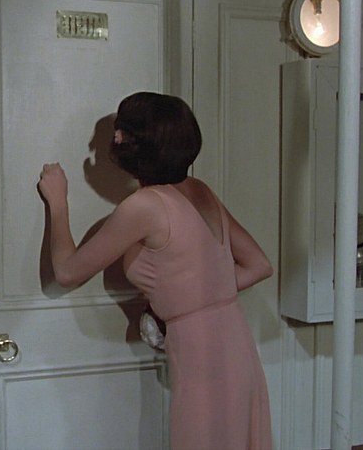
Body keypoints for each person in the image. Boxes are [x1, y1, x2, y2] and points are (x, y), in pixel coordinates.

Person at [38, 92, 273, 449]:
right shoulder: (199, 190)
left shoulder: (145, 206)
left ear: (130, 141)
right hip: (236, 344)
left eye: (118, 131)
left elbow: (68, 272)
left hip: (201, 352)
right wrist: (193, 299)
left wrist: (58, 202)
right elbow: (258, 265)